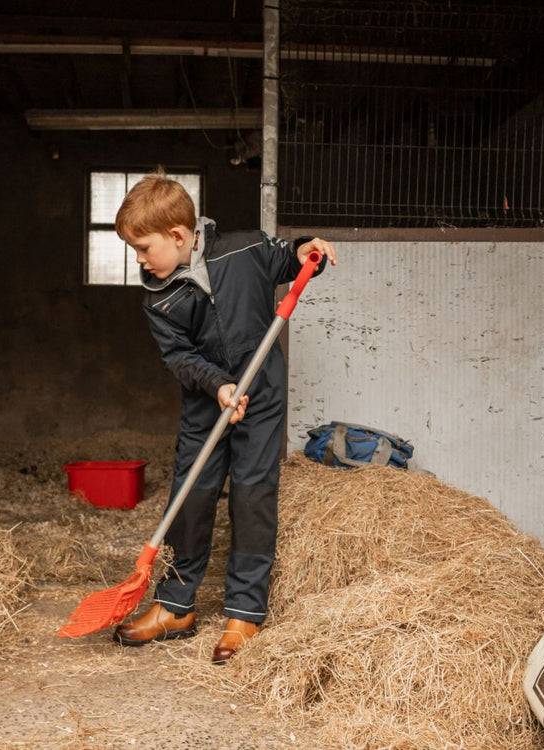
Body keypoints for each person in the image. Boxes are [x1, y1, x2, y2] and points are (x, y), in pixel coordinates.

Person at [112, 171, 336, 664]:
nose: (140, 260)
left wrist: (306, 251)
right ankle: (175, 607)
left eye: (144, 248)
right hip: (205, 401)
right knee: (191, 493)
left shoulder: (244, 250)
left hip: (262, 392)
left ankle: (244, 613)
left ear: (177, 236)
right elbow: (179, 358)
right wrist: (218, 385)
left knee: (253, 495)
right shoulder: (158, 294)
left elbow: (288, 257)